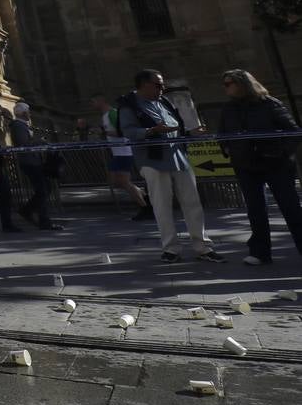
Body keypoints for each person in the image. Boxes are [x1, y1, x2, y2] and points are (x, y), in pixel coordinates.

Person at [117, 70, 224, 263]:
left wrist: (190, 134)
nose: (162, 88)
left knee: (192, 202)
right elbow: (128, 131)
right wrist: (151, 131)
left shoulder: (164, 102)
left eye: (162, 85)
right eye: (157, 85)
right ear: (143, 85)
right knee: (162, 205)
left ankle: (203, 246)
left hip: (178, 157)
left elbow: (177, 129)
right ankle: (171, 248)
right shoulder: (129, 105)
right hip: (153, 160)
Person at [219, 69, 302, 266]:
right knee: (255, 210)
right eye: (225, 84)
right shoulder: (228, 109)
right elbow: (222, 133)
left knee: (290, 208)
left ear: (242, 84)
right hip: (245, 165)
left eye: (229, 83)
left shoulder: (269, 104)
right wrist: (227, 149)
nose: (226, 87)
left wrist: (281, 153)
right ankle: (260, 252)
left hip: (275, 164)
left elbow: (293, 132)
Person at [94, 94, 152, 220]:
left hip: (124, 152)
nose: (92, 105)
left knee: (123, 182)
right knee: (117, 181)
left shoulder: (112, 113)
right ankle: (146, 200)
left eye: (93, 101)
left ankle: (146, 208)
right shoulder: (105, 115)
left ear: (101, 100)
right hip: (118, 153)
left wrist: (104, 132)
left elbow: (122, 132)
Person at [9, 104, 64, 231]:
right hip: (29, 162)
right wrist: (40, 141)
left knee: (45, 188)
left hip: (34, 161)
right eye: (28, 111)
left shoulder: (22, 125)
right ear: (22, 113)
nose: (30, 114)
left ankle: (27, 210)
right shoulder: (18, 126)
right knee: (43, 190)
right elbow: (24, 144)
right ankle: (43, 220)